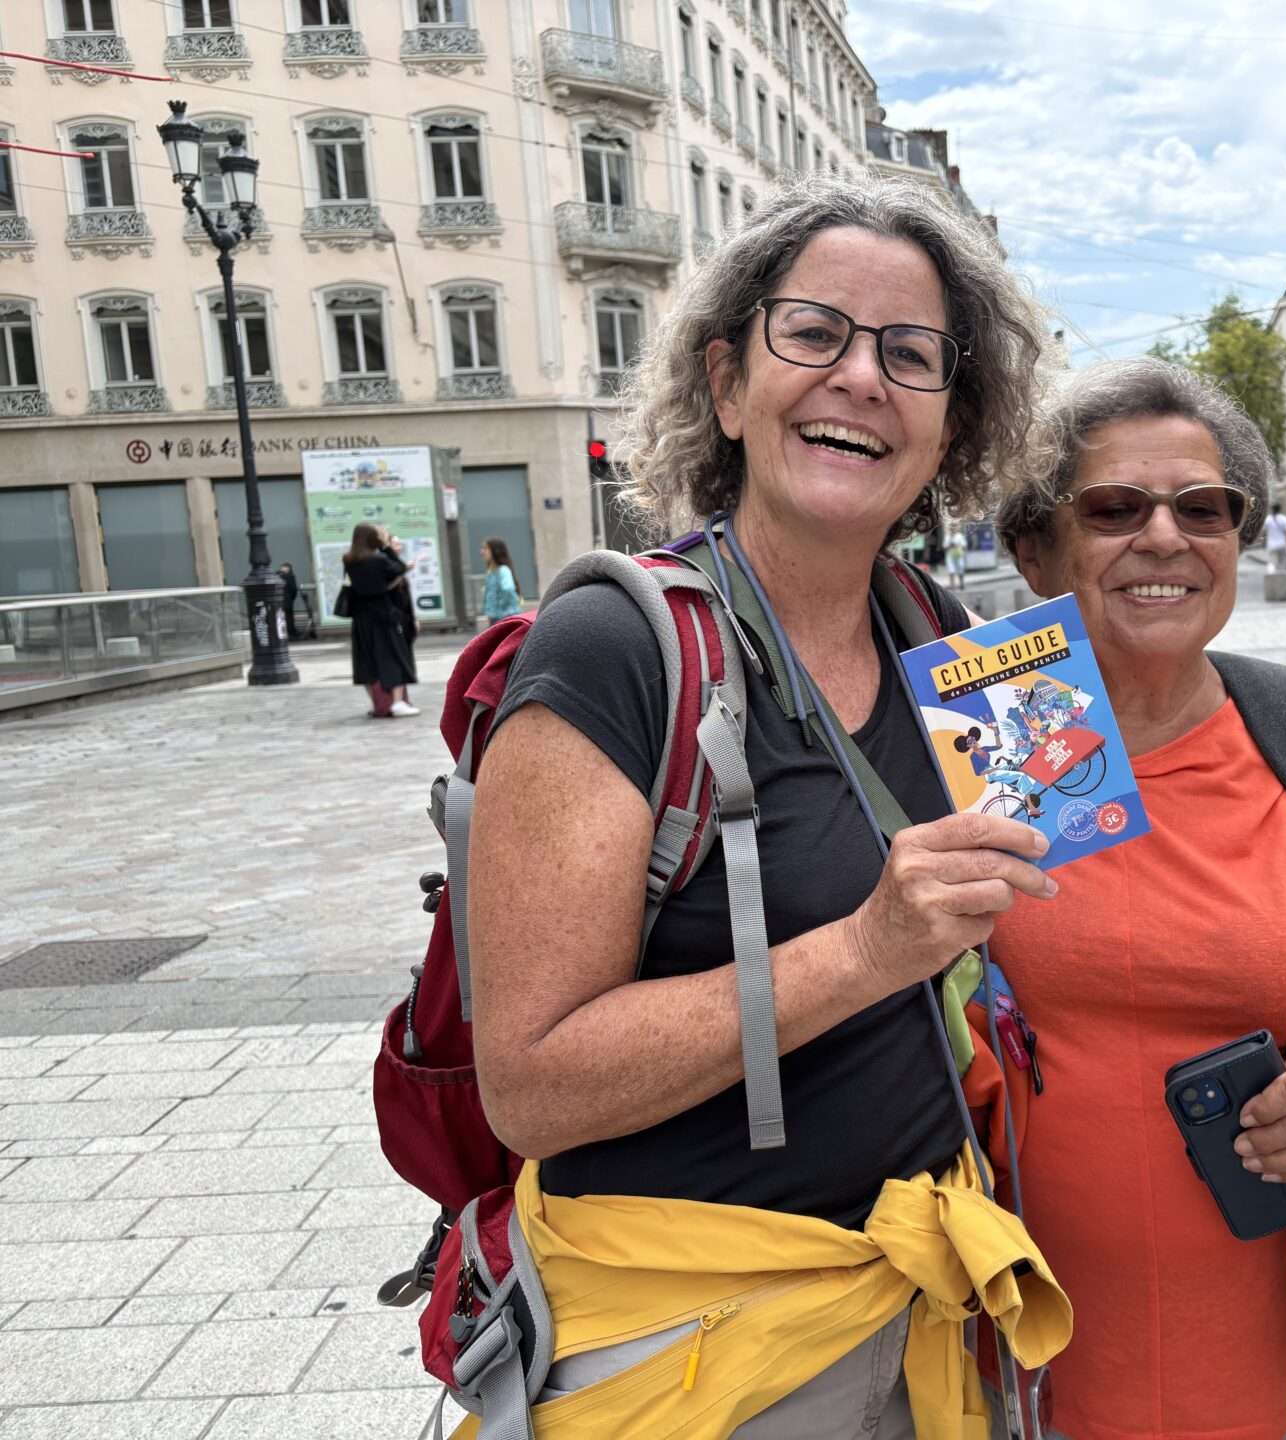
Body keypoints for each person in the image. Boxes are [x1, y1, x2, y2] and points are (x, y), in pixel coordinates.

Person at [463, 175, 1070, 1437]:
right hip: (693, 1356)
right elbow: (527, 1086)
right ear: (728, 385)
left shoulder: (948, 643)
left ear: (953, 427)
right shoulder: (613, 648)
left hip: (926, 1319)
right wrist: (864, 951)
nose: (862, 378)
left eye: (912, 356)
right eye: (815, 333)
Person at [992, 357, 1286, 1440]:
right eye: (1114, 508)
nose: (1165, 538)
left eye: (1203, 508)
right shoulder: (974, 745)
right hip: (1007, 1363)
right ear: (1037, 551)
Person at [343, 523, 419, 718]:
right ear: (372, 538)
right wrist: (385, 545)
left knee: (366, 660)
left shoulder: (349, 560)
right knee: (393, 656)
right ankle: (397, 702)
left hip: (361, 618)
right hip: (384, 615)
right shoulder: (379, 560)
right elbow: (399, 568)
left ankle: (377, 703)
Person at [478, 536, 523, 626]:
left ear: (495, 551)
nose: (481, 552)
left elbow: (508, 589)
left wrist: (500, 608)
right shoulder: (491, 571)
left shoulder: (503, 570)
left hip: (504, 617)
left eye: (485, 548)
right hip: (496, 617)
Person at [276, 561, 314, 639]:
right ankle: (291, 633)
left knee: (280, 618)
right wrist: (291, 598)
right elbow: (293, 589)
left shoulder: (275, 576)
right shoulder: (290, 576)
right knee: (289, 618)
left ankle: (281, 634)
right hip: (288, 601)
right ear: (289, 569)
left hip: (277, 601)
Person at [1263, 505, 1286, 573]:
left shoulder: (1268, 519)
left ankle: (1271, 577)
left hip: (1271, 545)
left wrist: (1262, 539)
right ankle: (1281, 577)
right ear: (1280, 510)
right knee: (1282, 561)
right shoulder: (1284, 519)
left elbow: (1263, 530)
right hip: (1282, 544)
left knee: (1272, 562)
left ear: (1272, 510)